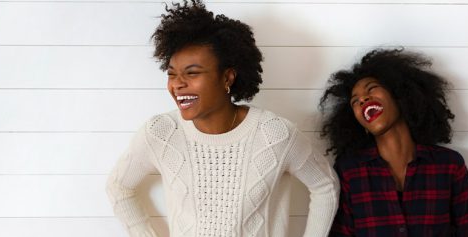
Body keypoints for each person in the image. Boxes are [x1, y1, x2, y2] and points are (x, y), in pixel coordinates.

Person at [106, 1, 339, 236]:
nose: (177, 84)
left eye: (192, 73)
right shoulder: (161, 132)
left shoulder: (275, 134)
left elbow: (325, 185)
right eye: (172, 74)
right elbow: (118, 187)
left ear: (227, 78)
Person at [320, 48, 468, 236]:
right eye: (354, 101)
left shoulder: (449, 165)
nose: (363, 99)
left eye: (372, 88)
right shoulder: (349, 171)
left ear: (400, 95)